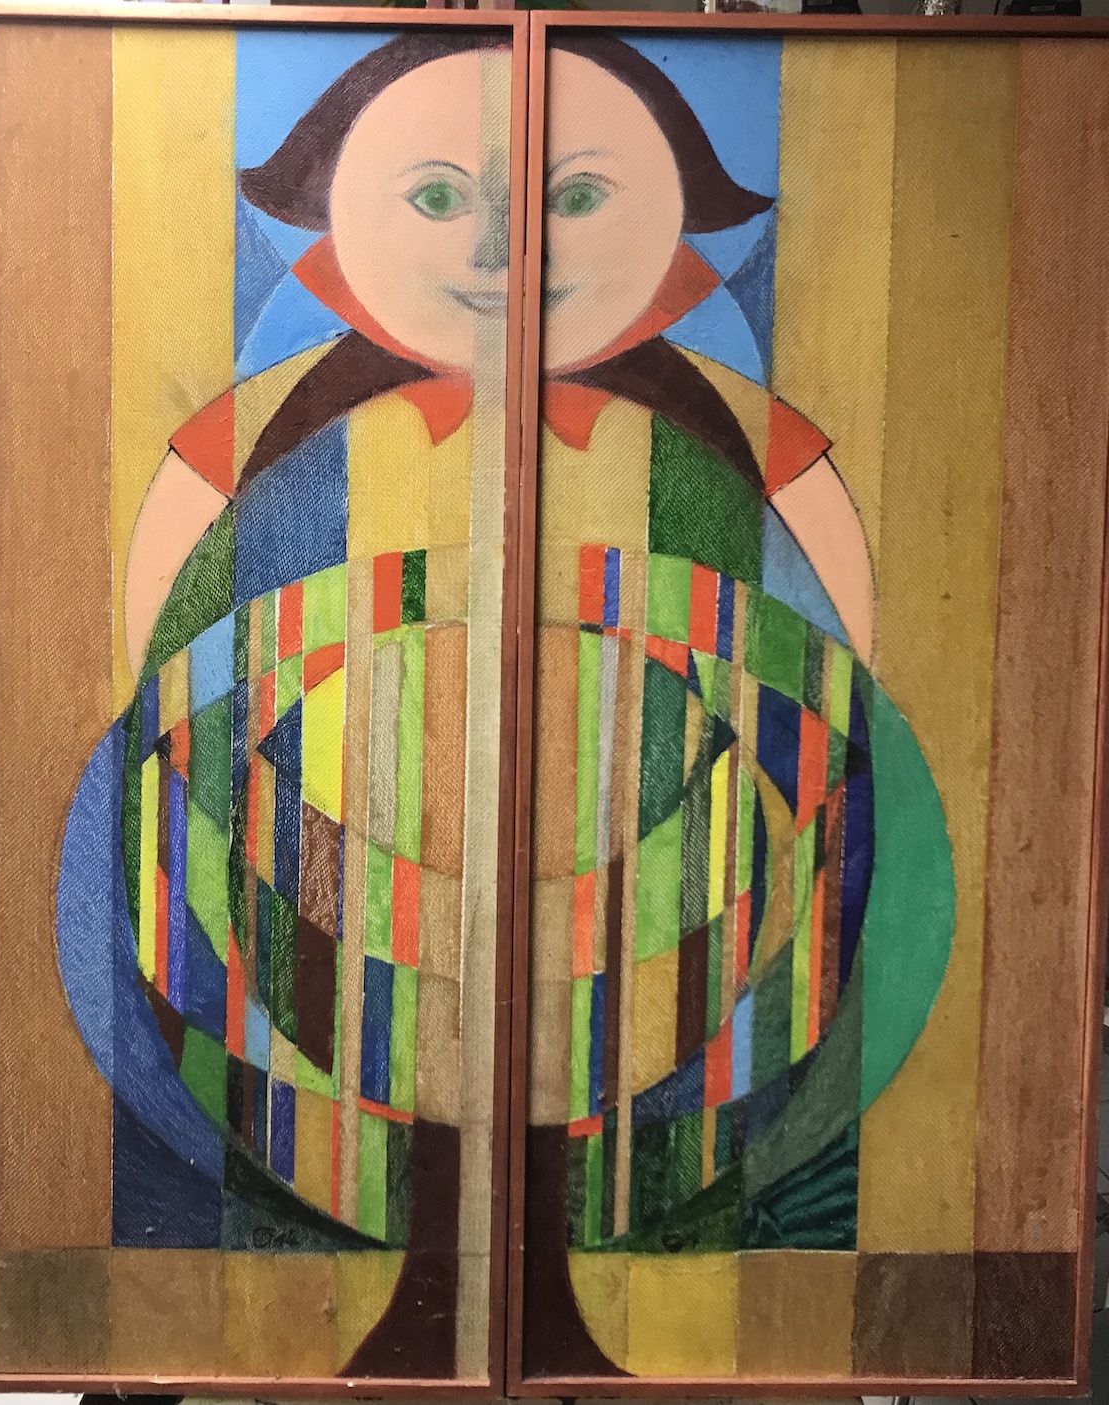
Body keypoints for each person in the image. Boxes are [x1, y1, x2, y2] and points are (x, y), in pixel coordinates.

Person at [63, 28, 910, 1380]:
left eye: (574, 196)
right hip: (331, 809)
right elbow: (164, 592)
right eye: (437, 195)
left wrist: (807, 732)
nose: (504, 249)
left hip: (665, 817)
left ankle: (578, 1309)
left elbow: (840, 616)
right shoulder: (280, 426)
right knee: (380, 1056)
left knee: (618, 1049)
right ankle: (413, 1302)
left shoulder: (720, 429)